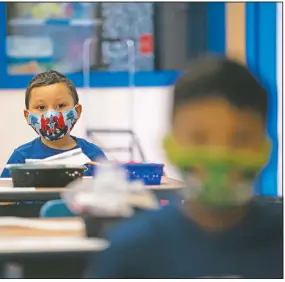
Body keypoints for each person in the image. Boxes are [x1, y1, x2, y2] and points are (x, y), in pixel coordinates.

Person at [85, 56, 283, 278]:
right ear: (170, 145)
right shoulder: (131, 252)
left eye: (240, 139)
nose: (218, 156)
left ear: (266, 149)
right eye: (199, 138)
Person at [1, 70, 106, 177]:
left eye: (60, 105)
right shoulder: (21, 158)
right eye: (41, 107)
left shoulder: (93, 154)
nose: (51, 115)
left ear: (77, 111)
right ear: (28, 116)